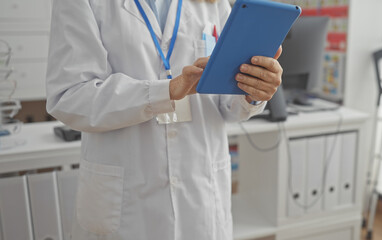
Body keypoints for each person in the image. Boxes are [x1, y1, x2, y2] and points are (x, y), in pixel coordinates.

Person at [46, 0, 283, 239]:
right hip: (127, 206)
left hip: (200, 198)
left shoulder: (215, 3)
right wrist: (164, 92)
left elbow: (228, 106)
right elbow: (70, 96)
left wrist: (253, 92)